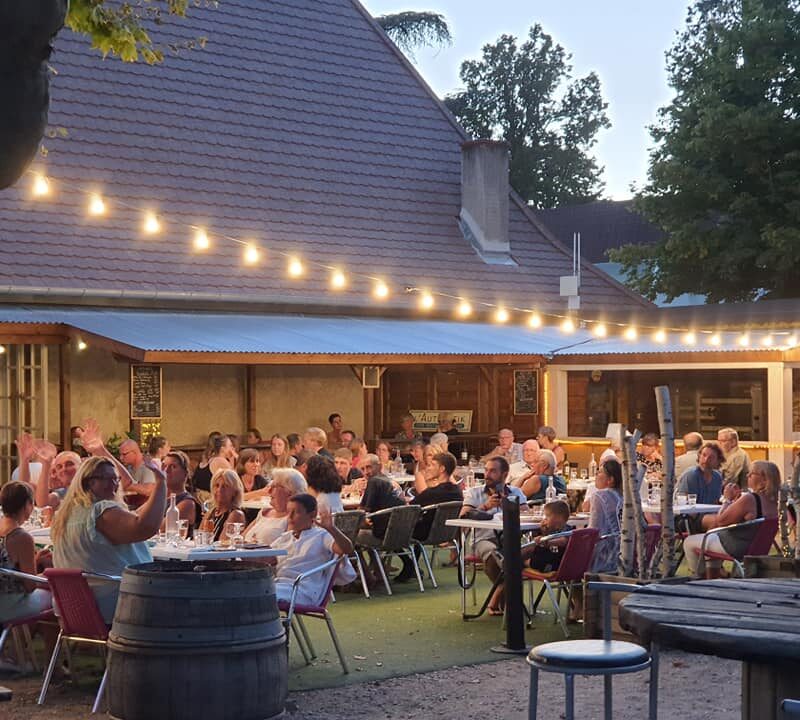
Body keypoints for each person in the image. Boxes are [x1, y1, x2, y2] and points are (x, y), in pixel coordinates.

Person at [51, 455, 166, 622]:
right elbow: (145, 527)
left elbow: (136, 519)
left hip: (73, 609)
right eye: (107, 479)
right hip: (116, 606)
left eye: (115, 479)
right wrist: (161, 483)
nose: (114, 484)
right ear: (89, 482)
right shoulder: (100, 511)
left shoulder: (64, 515)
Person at [684, 460, 780, 577]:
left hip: (736, 546)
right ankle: (712, 578)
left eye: (752, 473)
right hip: (757, 547)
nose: (747, 476)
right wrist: (736, 501)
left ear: (765, 480)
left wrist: (727, 499)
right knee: (712, 538)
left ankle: (698, 578)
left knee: (689, 542)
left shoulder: (750, 499)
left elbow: (721, 521)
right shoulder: (775, 501)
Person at [486, 500, 572, 615]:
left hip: (550, 565)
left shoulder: (567, 531)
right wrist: (544, 533)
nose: (545, 519)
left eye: (547, 516)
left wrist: (545, 541)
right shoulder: (563, 528)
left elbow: (563, 541)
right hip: (554, 563)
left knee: (522, 557)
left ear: (558, 518)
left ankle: (506, 557)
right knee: (521, 558)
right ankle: (507, 559)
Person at [268, 494, 355, 605]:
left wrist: (331, 529)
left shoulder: (322, 536)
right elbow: (266, 557)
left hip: (302, 589)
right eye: (288, 512)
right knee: (246, 592)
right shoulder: (285, 538)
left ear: (312, 514)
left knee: (259, 596)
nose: (290, 517)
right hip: (278, 584)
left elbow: (346, 549)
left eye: (296, 512)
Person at [460, 456, 526, 599]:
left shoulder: (516, 493)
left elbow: (528, 514)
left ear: (504, 474)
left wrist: (509, 507)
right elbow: (463, 516)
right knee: (492, 553)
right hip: (482, 539)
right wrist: (485, 506)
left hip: (510, 538)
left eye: (493, 471)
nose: (487, 475)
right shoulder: (474, 493)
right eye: (486, 470)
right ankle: (505, 594)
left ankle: (499, 597)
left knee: (523, 552)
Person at [0, 482, 52, 624]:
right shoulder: (21, 536)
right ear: (27, 505)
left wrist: (35, 560)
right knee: (59, 598)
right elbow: (30, 586)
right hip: (8, 605)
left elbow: (7, 569)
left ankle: (25, 643)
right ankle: (54, 645)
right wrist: (50, 575)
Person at [243, 469, 307, 545]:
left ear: (289, 492)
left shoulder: (294, 518)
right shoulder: (265, 511)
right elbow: (241, 539)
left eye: (274, 486)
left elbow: (288, 549)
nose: (269, 491)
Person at [587, 459, 623, 573]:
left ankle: (578, 589)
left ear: (610, 480)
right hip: (625, 554)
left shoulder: (600, 496)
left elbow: (593, 532)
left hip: (605, 557)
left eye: (600, 472)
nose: (596, 476)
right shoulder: (625, 496)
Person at [198, 469, 246, 542]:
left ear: (235, 491)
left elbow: (222, 544)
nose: (219, 490)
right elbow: (199, 539)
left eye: (225, 486)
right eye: (217, 486)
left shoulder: (236, 514)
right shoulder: (211, 513)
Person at [161, 450, 202, 534]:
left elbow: (160, 528)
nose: (167, 471)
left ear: (185, 473)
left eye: (173, 467)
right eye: (164, 466)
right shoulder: (160, 497)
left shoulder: (188, 503)